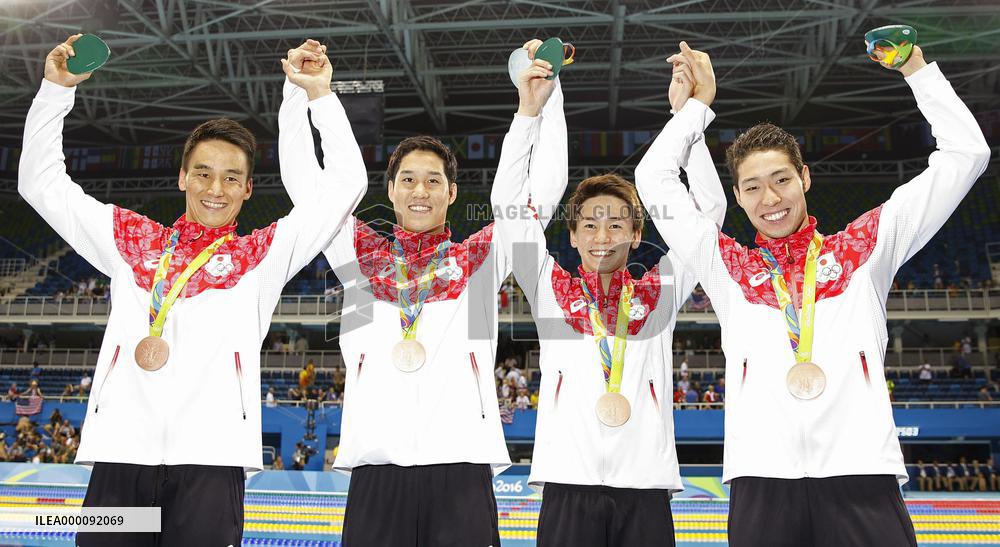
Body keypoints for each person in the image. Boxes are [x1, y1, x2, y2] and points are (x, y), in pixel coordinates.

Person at [635, 40, 988, 547]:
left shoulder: (864, 248)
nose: (770, 198)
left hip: (861, 474)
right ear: (738, 197)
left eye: (781, 179)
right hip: (762, 480)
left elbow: (966, 154)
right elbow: (653, 179)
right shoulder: (727, 266)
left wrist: (916, 69)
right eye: (752, 187)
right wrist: (694, 110)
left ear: (804, 178)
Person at [20, 36, 366, 547]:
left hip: (212, 465)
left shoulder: (262, 256)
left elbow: (345, 186)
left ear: (248, 188)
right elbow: (40, 183)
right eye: (203, 174)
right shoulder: (131, 240)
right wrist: (55, 91)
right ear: (183, 177)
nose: (215, 189)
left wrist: (314, 95)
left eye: (231, 178)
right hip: (120, 459)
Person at [277, 40, 568, 546]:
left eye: (433, 181)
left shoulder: (480, 258)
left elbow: (539, 197)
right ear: (390, 190)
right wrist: (305, 96)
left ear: (451, 193)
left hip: (462, 470)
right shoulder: (359, 255)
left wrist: (539, 105)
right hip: (377, 471)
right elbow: (308, 190)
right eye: (408, 179)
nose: (419, 190)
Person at [491, 42, 724, 547]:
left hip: (645, 488)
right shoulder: (549, 289)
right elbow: (509, 206)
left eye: (616, 224)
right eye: (590, 225)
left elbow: (709, 213)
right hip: (566, 484)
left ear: (636, 235)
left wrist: (688, 122)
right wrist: (529, 112)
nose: (603, 236)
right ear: (572, 237)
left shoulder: (660, 291)